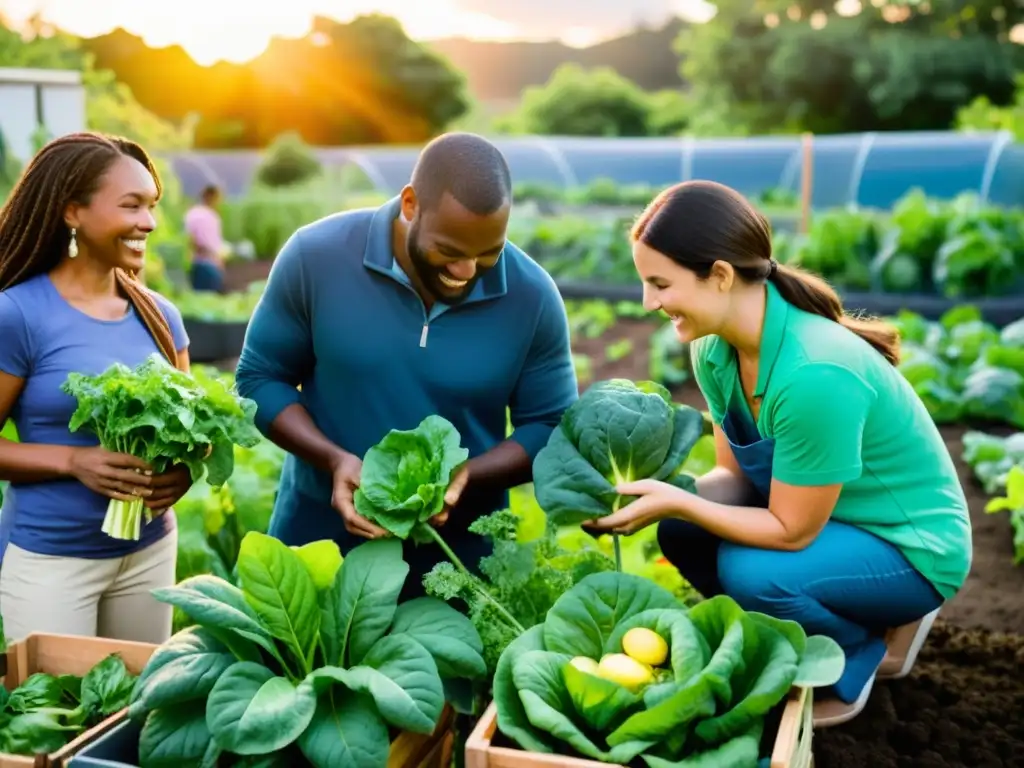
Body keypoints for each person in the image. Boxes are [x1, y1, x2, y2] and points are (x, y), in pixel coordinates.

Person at [584, 180, 971, 724]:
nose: (648, 302)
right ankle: (800, 631)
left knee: (752, 572)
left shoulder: (815, 372)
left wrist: (679, 501)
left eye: (659, 283)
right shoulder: (714, 351)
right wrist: (655, 496)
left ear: (719, 276)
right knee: (682, 530)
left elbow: (792, 532)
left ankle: (855, 654)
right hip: (829, 520)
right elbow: (731, 476)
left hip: (908, 546)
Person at [235, 132, 578, 593]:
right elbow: (260, 377)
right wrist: (335, 459)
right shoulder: (317, 256)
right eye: (450, 251)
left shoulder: (531, 295)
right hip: (318, 550)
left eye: (488, 254)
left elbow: (550, 422)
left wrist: (468, 475)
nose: (467, 272)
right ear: (411, 204)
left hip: (459, 573)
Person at [0, 132, 192, 644]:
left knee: (135, 717)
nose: (147, 222)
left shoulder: (161, 315)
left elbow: (194, 429)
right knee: (55, 718)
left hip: (149, 553)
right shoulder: (18, 314)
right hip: (51, 561)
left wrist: (186, 473)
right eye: (131, 205)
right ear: (72, 213)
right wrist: (72, 461)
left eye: (151, 206)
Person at [184, 183, 227, 292]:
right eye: (218, 198)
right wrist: (216, 258)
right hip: (209, 265)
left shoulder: (192, 214)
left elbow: (190, 240)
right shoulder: (210, 216)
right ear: (210, 197)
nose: (219, 202)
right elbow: (197, 242)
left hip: (198, 264)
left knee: (200, 299)